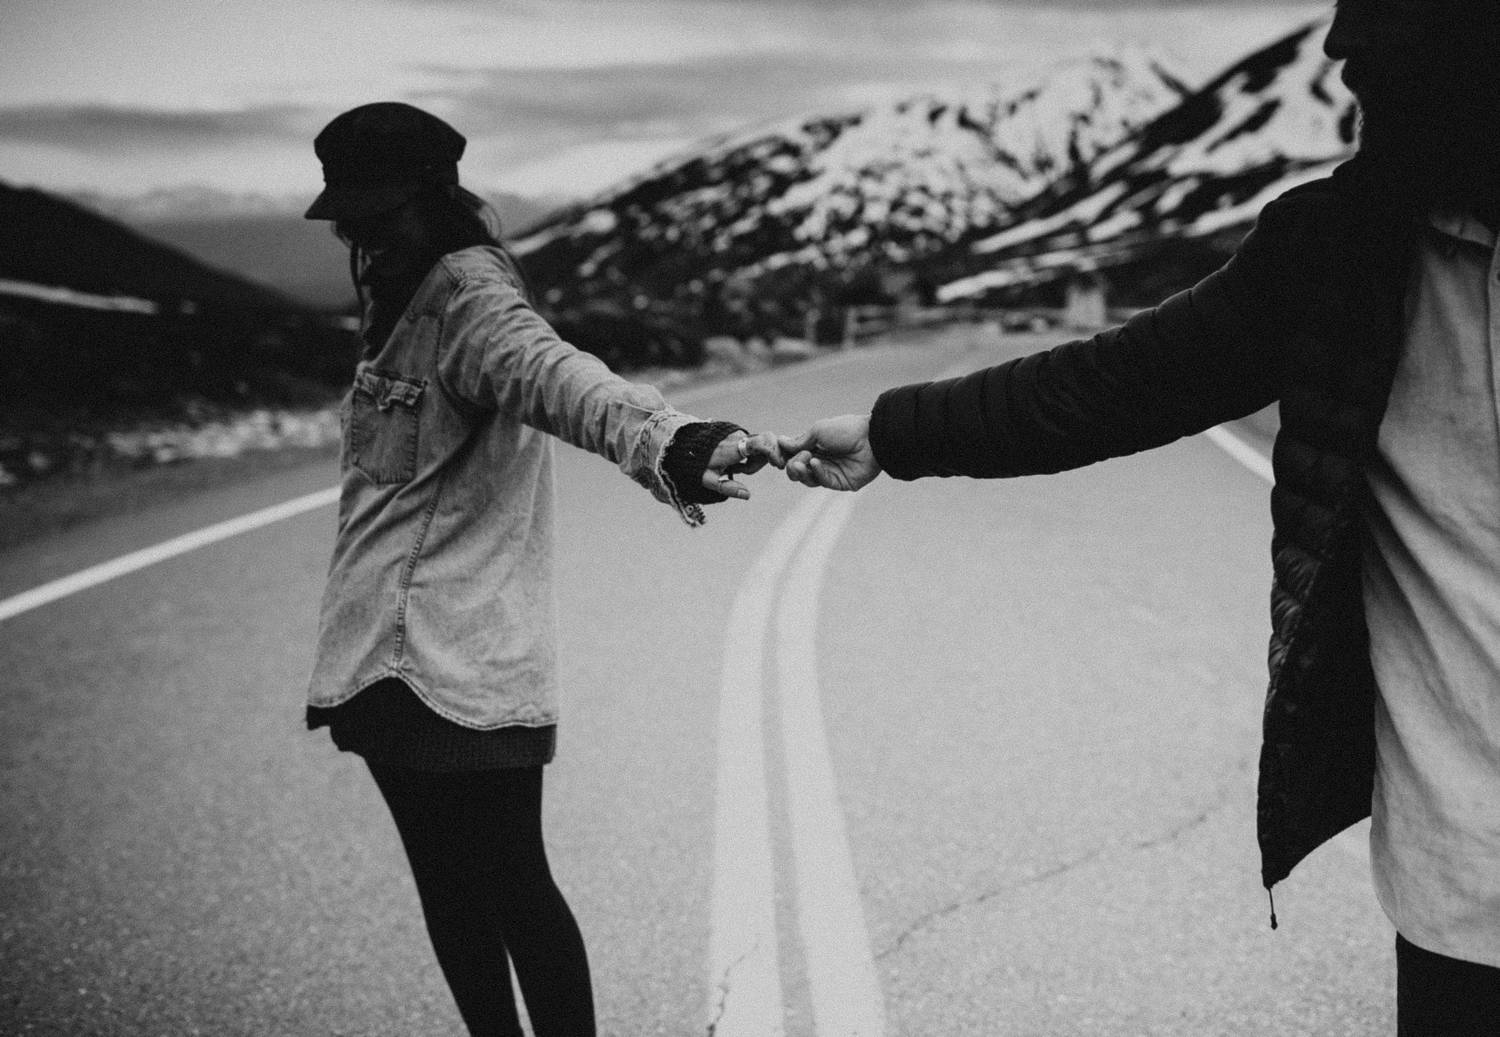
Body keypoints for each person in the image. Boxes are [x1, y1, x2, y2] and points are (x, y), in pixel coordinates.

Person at [780, 1, 1500, 1032]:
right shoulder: (1344, 248)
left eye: (1378, 15)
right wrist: (898, 432)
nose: (1338, 49)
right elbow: (1119, 382)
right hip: (1461, 886)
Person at [300, 101, 780, 1036]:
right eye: (348, 217)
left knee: (515, 886)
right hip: (379, 655)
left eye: (376, 213)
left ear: (430, 198)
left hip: (461, 660)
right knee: (451, 890)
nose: (358, 234)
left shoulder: (469, 300)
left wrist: (673, 441)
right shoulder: (397, 290)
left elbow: (563, 378)